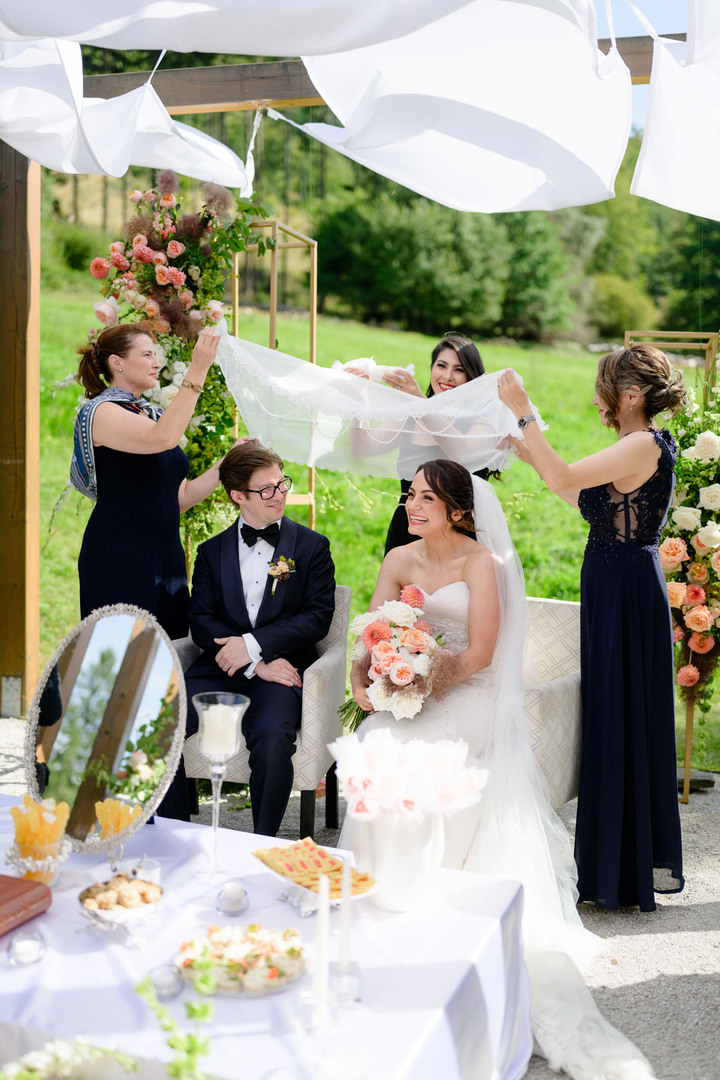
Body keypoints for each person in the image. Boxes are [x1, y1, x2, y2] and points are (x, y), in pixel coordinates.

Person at [343, 458, 660, 1079]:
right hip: (410, 690)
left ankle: (432, 900)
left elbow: (482, 653)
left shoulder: (479, 564)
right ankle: (378, 898)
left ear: (458, 509)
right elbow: (371, 633)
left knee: (425, 755)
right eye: (411, 496)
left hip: (468, 693)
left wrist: (425, 681)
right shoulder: (399, 560)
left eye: (427, 498)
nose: (413, 506)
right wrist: (370, 677)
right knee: (378, 738)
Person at [498, 344, 686, 912]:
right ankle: (613, 870)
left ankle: (616, 875)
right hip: (619, 587)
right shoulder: (637, 445)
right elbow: (574, 491)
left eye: (606, 388)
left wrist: (524, 409)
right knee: (614, 713)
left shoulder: (641, 443)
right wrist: (529, 452)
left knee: (618, 713)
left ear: (630, 395)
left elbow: (563, 473)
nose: (599, 399)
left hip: (625, 592)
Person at [173, 443, 336, 834]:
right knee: (164, 719)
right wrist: (251, 661)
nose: (279, 494)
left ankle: (261, 842)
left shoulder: (312, 547)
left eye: (281, 484)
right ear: (238, 496)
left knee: (270, 736)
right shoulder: (212, 552)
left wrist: (255, 646)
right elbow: (201, 620)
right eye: (266, 489)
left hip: (283, 669)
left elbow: (317, 618)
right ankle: (172, 830)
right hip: (221, 669)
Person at [72, 323, 223, 639]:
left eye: (156, 355)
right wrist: (198, 368)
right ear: (118, 363)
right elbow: (164, 438)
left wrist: (226, 464)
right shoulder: (101, 412)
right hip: (121, 555)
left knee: (167, 661)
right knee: (125, 665)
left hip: (166, 555)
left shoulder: (151, 414)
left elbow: (176, 498)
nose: (157, 363)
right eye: (147, 354)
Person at [347, 334, 489, 552]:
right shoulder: (411, 415)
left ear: (472, 376)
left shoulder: (481, 421)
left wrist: (418, 399)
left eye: (459, 369)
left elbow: (462, 455)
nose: (448, 376)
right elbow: (362, 448)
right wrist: (359, 401)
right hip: (409, 529)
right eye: (441, 366)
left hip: (457, 533)